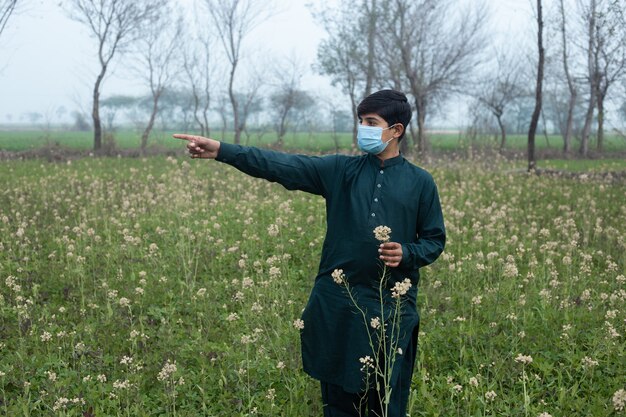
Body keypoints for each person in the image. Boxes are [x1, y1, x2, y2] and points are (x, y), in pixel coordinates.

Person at [174, 89, 446, 417]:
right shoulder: (341, 172)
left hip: (391, 308)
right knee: (338, 399)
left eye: (371, 122)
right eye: (361, 121)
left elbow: (434, 240)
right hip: (337, 304)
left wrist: (407, 252)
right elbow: (280, 165)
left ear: (396, 130)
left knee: (386, 399)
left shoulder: (421, 183)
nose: (363, 128)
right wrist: (222, 151)